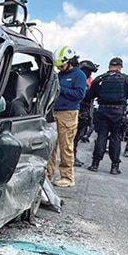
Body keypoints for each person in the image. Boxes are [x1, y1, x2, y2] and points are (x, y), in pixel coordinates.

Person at [84, 57, 128, 174]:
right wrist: (122, 97)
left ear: (109, 66)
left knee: (101, 137)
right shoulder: (125, 79)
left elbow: (90, 95)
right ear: (120, 67)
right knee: (116, 138)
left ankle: (95, 164)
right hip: (118, 111)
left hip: (103, 110)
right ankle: (114, 167)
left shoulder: (100, 79)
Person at [46, 46, 88, 187]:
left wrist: (59, 88)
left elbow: (79, 95)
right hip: (53, 112)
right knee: (51, 146)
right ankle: (48, 175)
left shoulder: (79, 75)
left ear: (70, 61)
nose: (60, 68)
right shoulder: (59, 75)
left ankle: (67, 177)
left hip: (68, 114)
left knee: (66, 146)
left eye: (62, 65)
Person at [73, 59, 99, 167]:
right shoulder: (80, 80)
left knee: (75, 138)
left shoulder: (81, 80)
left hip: (82, 113)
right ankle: (71, 158)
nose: (90, 75)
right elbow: (82, 96)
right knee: (73, 139)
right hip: (78, 113)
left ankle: (72, 157)